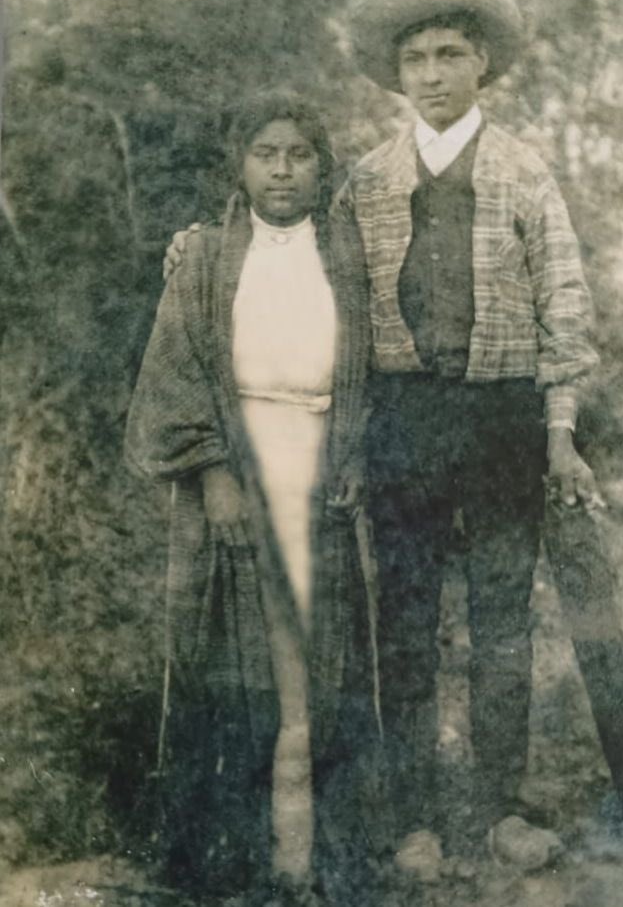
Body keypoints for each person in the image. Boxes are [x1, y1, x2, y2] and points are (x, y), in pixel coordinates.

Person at [341, 0, 623, 862]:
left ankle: (500, 810)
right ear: (397, 74)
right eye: (416, 60)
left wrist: (559, 435)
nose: (432, 75)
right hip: (401, 423)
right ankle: (415, 819)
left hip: (503, 425)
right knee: (402, 620)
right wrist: (195, 247)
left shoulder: (525, 174)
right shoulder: (365, 182)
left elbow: (566, 307)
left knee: (501, 623)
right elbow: (316, 277)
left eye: (449, 55)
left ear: (482, 65)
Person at [125, 92, 379, 906]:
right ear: (240, 165)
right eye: (264, 153)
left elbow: (375, 367)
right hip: (236, 474)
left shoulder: (350, 253)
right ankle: (230, 857)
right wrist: (213, 475)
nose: (280, 169)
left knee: (315, 667)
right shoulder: (201, 258)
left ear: (320, 166)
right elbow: (176, 374)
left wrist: (357, 454)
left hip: (322, 472)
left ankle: (308, 862)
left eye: (298, 154)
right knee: (240, 669)